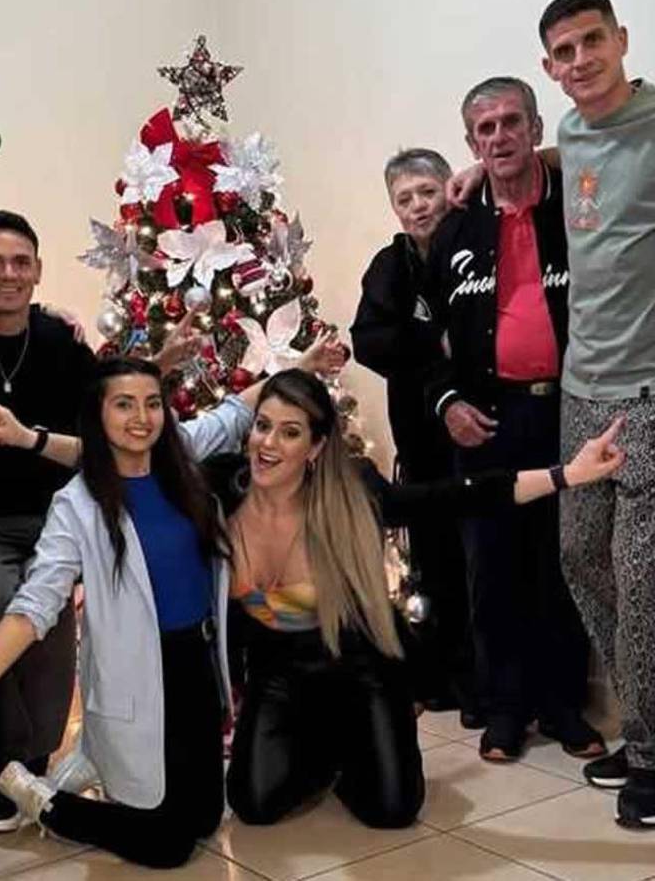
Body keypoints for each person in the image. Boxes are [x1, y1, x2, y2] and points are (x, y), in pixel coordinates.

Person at [0, 339, 343, 869]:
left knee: (206, 818)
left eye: (151, 403)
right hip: (137, 674)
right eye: (124, 404)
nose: (141, 418)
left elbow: (235, 411)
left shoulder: (180, 462)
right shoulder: (77, 505)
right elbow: (32, 608)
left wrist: (299, 367)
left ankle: (102, 769)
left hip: (198, 666)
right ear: (98, 414)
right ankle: (45, 801)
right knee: (168, 845)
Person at [210, 369, 623, 827]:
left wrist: (567, 474)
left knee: (392, 810)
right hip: (278, 678)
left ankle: (357, 740)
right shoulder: (226, 490)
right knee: (254, 804)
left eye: (290, 432)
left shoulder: (354, 490)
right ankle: (321, 747)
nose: (267, 444)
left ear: (316, 447)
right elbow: (170, 451)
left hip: (360, 671)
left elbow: (454, 496)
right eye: (262, 426)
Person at [534, 0, 655, 828]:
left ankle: (654, 757)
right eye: (564, 52)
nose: (580, 61)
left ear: (620, 39)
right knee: (583, 560)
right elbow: (575, 152)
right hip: (583, 392)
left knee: (645, 580)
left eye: (591, 42)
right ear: (550, 67)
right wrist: (489, 167)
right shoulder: (572, 129)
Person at [426, 77, 598, 763]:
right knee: (492, 569)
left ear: (535, 128)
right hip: (485, 425)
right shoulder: (454, 230)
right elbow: (425, 338)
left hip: (568, 413)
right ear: (471, 142)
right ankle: (504, 710)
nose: (499, 137)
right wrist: (447, 403)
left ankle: (563, 705)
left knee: (565, 562)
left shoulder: (576, 209)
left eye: (510, 122)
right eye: (486, 128)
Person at [0, 209, 97, 830]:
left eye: (21, 262)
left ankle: (37, 765)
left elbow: (101, 431)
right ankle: (3, 765)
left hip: (54, 523)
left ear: (38, 270)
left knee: (51, 640)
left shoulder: (61, 343)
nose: (8, 274)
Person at [350, 148, 478, 721]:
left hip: (480, 431)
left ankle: (486, 685)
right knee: (436, 563)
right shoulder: (389, 266)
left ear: (450, 189)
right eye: (405, 198)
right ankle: (443, 678)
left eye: (427, 192)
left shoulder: (477, 246)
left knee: (483, 562)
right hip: (421, 439)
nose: (419, 206)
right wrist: (433, 343)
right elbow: (369, 341)